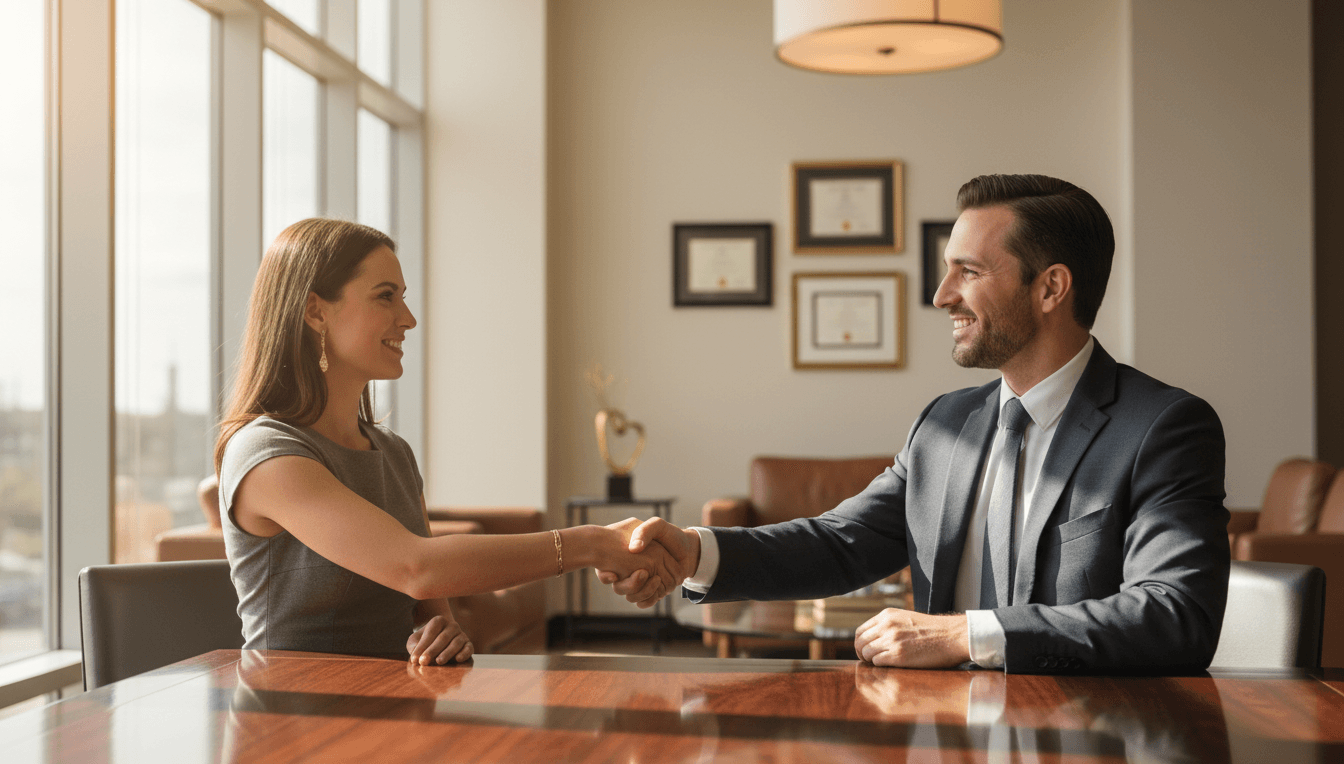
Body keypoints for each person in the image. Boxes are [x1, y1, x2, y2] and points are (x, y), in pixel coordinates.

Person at [602, 174, 1230, 674]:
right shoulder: (945, 425)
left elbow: (1175, 615)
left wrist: (965, 633)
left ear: (1050, 288)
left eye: (969, 271)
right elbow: (839, 543)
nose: (941, 295)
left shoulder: (1164, 428)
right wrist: (694, 551)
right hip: (942, 735)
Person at [215, 218, 677, 665]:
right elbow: (416, 568)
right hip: (287, 719)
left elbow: (428, 605)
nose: (408, 319)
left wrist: (442, 632)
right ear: (316, 311)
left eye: (404, 298)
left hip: (393, 709)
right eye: (386, 297)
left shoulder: (393, 453)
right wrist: (590, 544)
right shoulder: (265, 455)